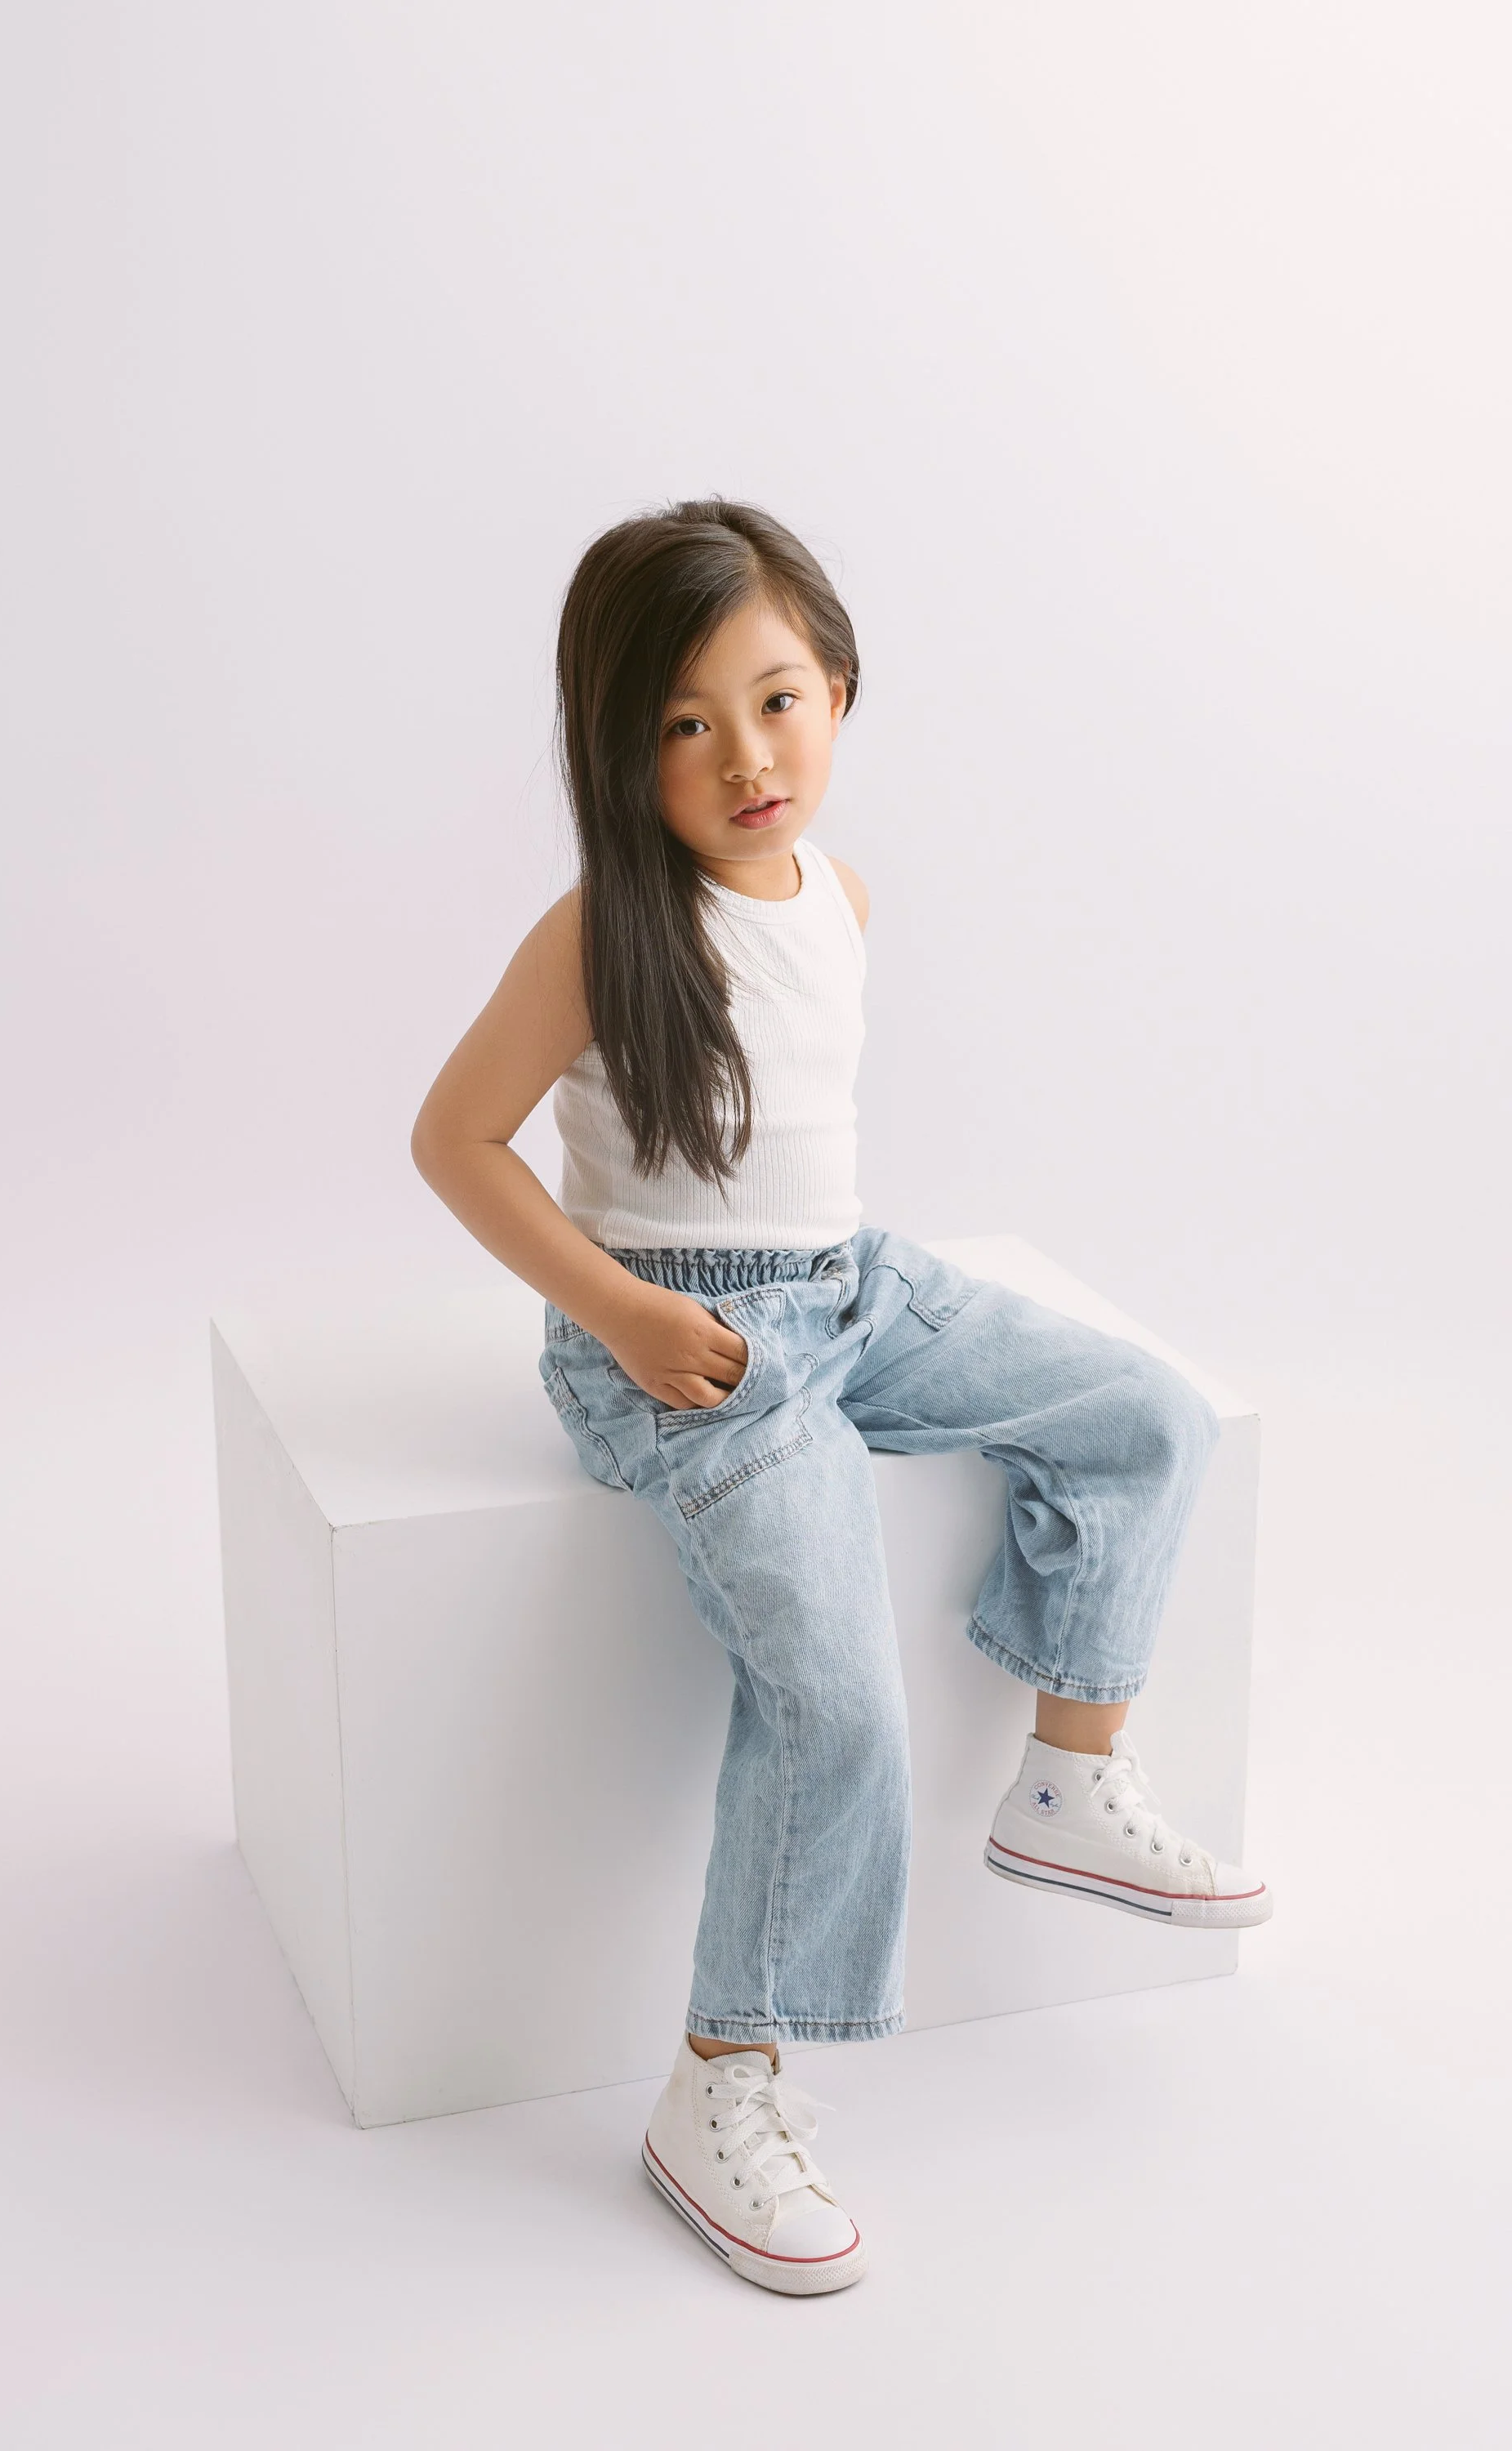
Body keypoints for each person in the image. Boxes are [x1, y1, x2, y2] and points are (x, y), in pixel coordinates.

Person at [410, 498, 1271, 2298]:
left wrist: (836, 1306)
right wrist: (624, 1315)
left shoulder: (843, 898)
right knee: (837, 1697)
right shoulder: (601, 935)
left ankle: (1068, 1775)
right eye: (685, 723)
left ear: (842, 692)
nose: (746, 757)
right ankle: (717, 2079)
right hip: (684, 1343)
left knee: (1144, 1414)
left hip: (850, 1291)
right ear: (617, 747)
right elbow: (455, 1140)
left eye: (777, 700)